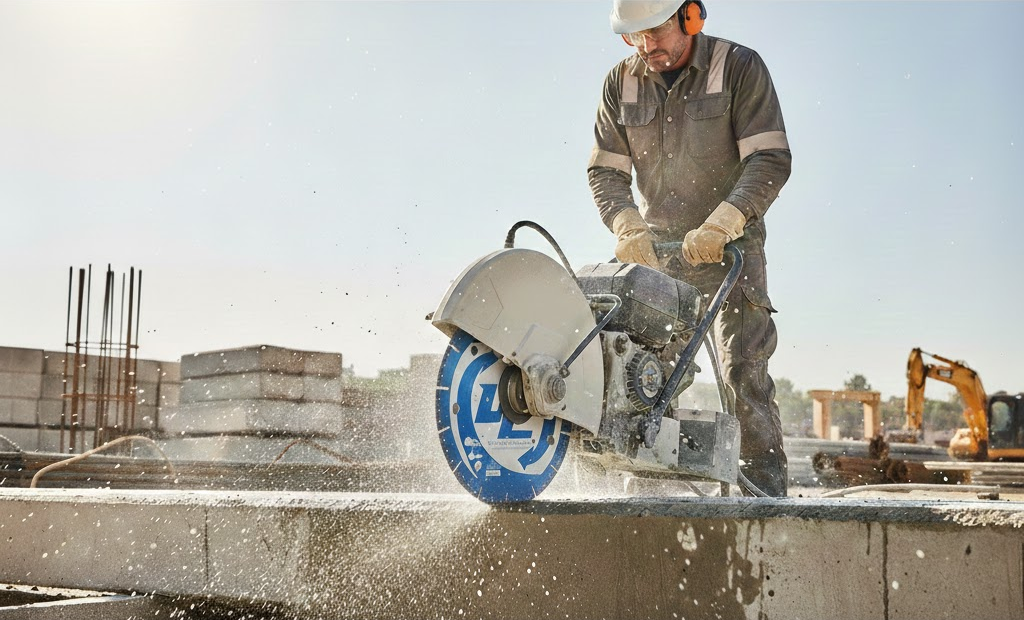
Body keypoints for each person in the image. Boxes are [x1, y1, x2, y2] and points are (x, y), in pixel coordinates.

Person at [587, 0, 792, 496]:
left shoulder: (739, 67)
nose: (646, 45)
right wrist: (627, 226)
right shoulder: (621, 82)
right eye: (634, 35)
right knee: (643, 372)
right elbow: (606, 172)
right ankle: (647, 486)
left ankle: (762, 494)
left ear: (688, 17)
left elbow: (770, 158)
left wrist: (723, 223)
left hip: (730, 247)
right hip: (656, 254)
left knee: (742, 366)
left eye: (655, 30)